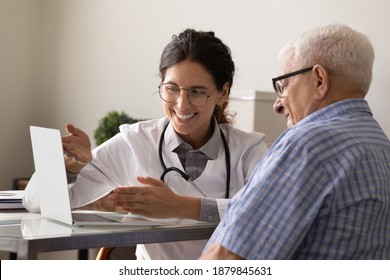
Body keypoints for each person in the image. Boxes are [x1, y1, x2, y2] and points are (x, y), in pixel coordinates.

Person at [23, 29, 268, 259]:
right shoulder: (135, 141)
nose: (182, 104)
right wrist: (70, 167)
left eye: (197, 91)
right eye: (172, 89)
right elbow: (36, 203)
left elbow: (267, 213)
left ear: (222, 93)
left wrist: (179, 206)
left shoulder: (248, 150)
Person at [200, 23, 390, 259]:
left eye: (284, 85)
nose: (277, 104)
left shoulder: (307, 144)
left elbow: (227, 259)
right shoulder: (381, 145)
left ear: (319, 80)